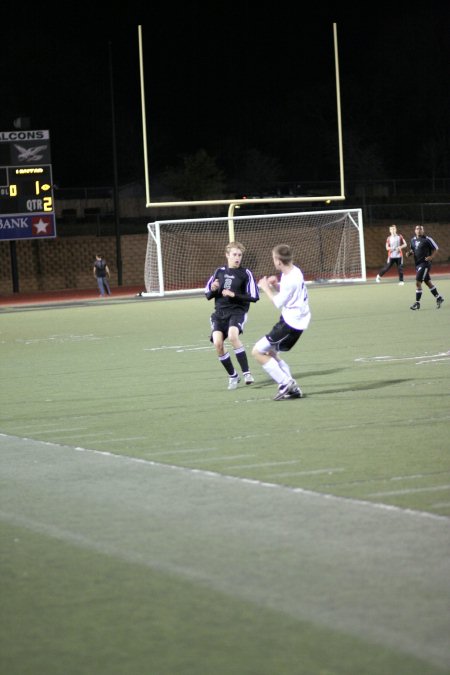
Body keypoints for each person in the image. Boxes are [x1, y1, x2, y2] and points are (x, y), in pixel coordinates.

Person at [252, 244, 311, 401]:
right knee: (271, 353)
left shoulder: (291, 278)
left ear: (278, 261)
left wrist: (266, 287)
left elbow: (278, 302)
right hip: (295, 322)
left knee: (257, 352)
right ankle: (294, 390)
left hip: (289, 325)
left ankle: (285, 383)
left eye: (273, 258)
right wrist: (276, 285)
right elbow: (289, 294)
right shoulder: (294, 271)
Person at [205, 241, 259, 390]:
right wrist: (214, 289)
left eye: (240, 255)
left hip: (237, 311)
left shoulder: (245, 273)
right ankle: (233, 376)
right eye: (234, 254)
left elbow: (254, 296)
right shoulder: (219, 272)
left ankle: (247, 373)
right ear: (227, 255)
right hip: (219, 313)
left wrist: (233, 294)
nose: (237, 258)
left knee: (233, 336)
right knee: (218, 344)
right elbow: (208, 295)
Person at [405, 225, 444, 310]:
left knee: (418, 282)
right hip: (418, 265)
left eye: (420, 229)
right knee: (428, 283)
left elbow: (436, 248)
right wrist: (409, 253)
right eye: (417, 229)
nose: (418, 230)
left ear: (423, 231)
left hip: (425, 264)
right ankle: (439, 298)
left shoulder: (427, 239)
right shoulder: (412, 240)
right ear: (415, 230)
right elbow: (413, 249)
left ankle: (417, 303)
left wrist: (431, 257)